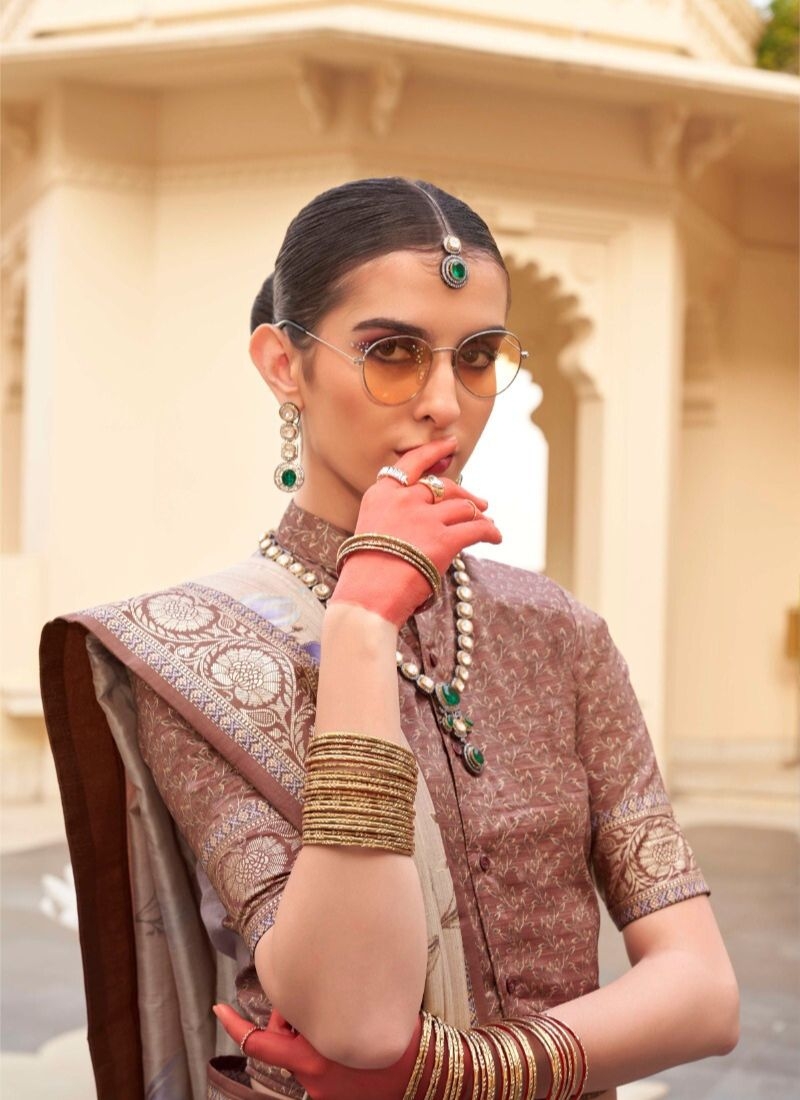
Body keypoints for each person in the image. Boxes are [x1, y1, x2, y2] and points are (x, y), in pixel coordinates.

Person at [40, 177, 739, 1100]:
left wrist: (450, 1072)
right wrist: (362, 625)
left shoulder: (559, 635)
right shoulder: (196, 655)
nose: (445, 403)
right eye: (394, 352)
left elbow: (704, 995)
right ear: (284, 364)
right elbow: (356, 1016)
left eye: (478, 356)